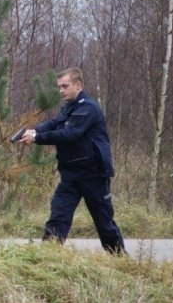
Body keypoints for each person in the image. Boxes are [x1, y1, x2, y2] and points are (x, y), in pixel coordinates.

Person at [18, 67, 126, 255]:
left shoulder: (88, 108)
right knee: (58, 217)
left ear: (78, 85)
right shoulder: (70, 107)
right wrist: (34, 131)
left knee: (104, 222)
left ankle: (120, 259)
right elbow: (55, 123)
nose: (61, 91)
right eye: (59, 86)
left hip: (93, 174)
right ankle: (47, 258)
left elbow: (71, 133)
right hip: (71, 175)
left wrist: (37, 138)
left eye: (65, 86)